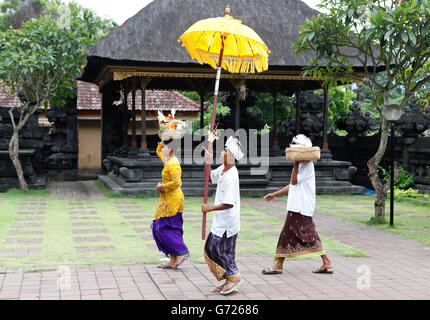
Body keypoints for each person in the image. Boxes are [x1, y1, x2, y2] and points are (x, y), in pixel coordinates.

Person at [261, 134, 333, 275]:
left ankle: (279, 264)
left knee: (288, 234)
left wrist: (296, 163)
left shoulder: (306, 165)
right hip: (298, 206)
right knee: (305, 234)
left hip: (301, 207)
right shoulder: (303, 165)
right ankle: (326, 261)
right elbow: (292, 186)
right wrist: (275, 194)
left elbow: (294, 181)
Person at [201, 136, 244, 295]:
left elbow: (229, 203)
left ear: (231, 156)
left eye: (225, 150)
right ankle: (229, 278)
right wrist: (208, 161)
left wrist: (209, 208)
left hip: (227, 222)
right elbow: (208, 177)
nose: (222, 152)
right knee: (212, 249)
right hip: (220, 220)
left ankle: (233, 277)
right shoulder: (223, 169)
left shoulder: (232, 175)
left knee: (219, 251)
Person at [152, 139, 189, 269]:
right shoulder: (168, 160)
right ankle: (173, 259)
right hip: (167, 198)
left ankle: (181, 252)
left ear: (171, 150)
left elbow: (177, 182)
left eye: (164, 148)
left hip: (173, 199)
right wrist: (160, 143)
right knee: (160, 227)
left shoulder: (172, 164)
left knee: (163, 228)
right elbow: (158, 152)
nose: (162, 150)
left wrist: (162, 187)